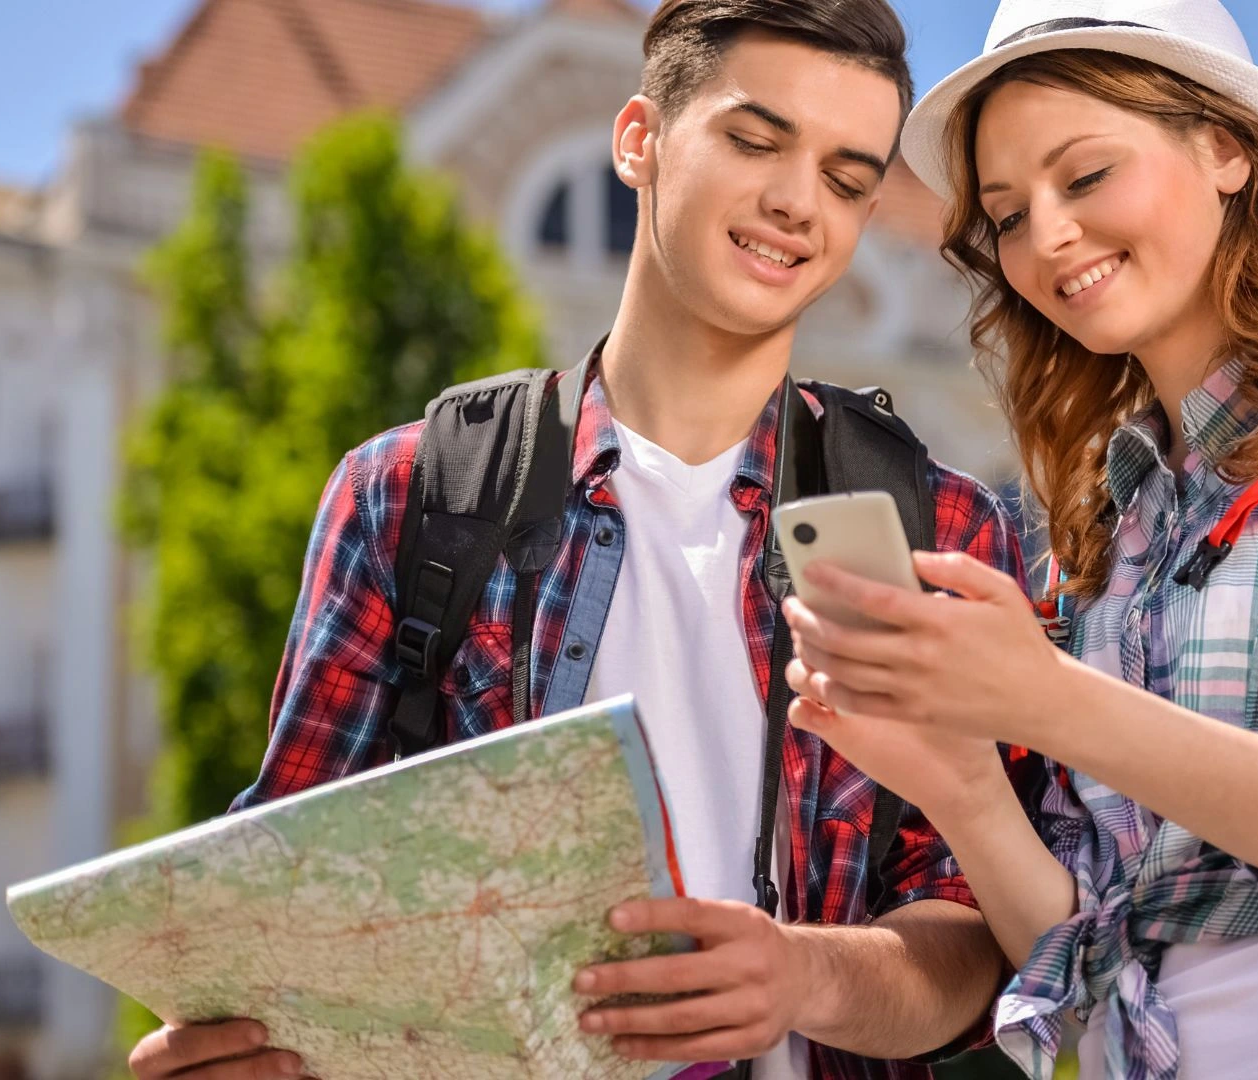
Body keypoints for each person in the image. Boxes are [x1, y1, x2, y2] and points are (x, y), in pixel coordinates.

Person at [127, 3, 1029, 1078]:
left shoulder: (942, 529)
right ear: (639, 140)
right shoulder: (412, 492)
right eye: (754, 141)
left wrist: (801, 975)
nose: (796, 203)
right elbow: (290, 889)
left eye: (844, 178)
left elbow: (980, 936)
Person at [781, 2, 1258, 1078]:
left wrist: (1047, 701)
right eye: (1005, 215)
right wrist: (957, 777)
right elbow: (1072, 942)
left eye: (1085, 177)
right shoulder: (1095, 525)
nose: (1044, 237)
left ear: (1227, 146)